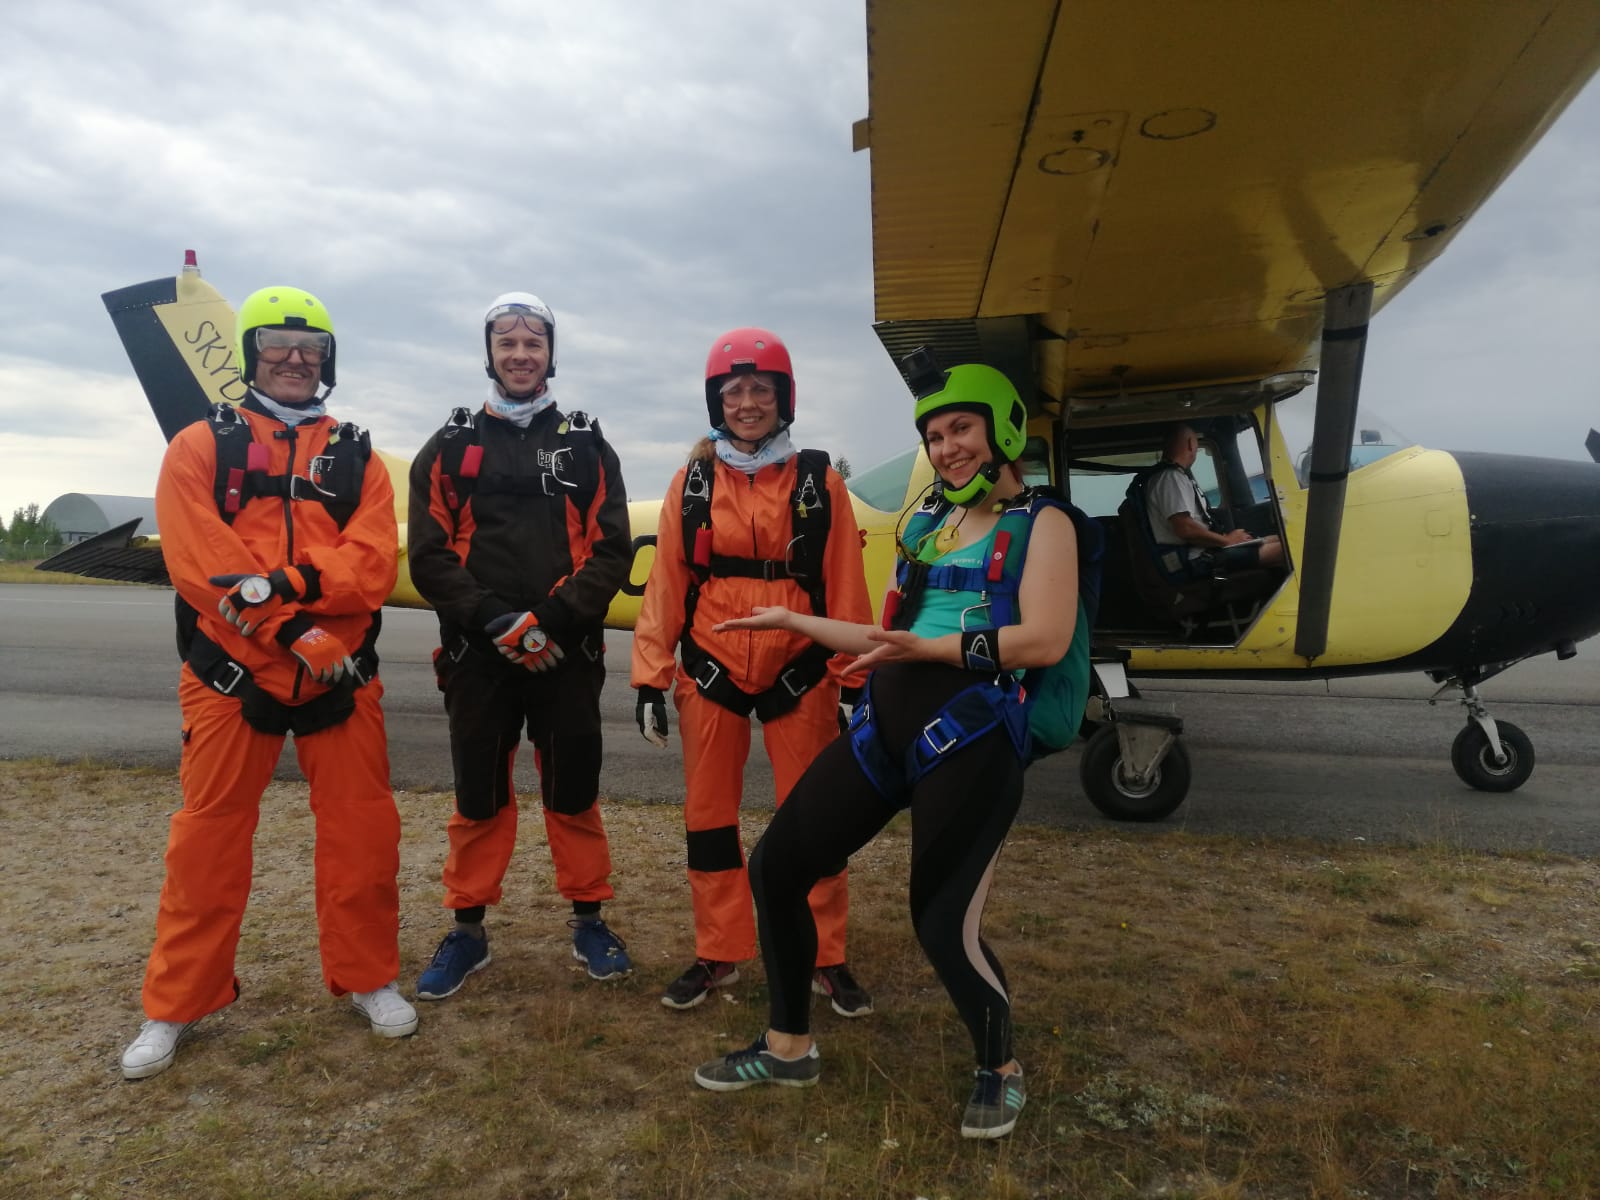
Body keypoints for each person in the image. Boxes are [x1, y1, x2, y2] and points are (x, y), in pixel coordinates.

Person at [690, 360, 1093, 1141]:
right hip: (885, 734)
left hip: (972, 739)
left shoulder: (1045, 524)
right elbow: (886, 641)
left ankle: (999, 1069)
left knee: (942, 924)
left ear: (1002, 431)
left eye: (962, 430)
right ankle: (787, 1046)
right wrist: (797, 622)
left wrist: (934, 651)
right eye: (936, 436)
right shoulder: (930, 522)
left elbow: (1042, 639)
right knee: (777, 866)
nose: (947, 448)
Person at [121, 285, 414, 1081]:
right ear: (251, 354)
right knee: (206, 844)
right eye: (278, 345)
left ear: (327, 361)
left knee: (363, 835)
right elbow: (198, 562)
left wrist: (283, 585)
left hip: (339, 677)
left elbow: (371, 565)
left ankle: (368, 977)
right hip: (229, 675)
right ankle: (176, 1002)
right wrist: (290, 630)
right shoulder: (196, 447)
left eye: (309, 348)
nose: (294, 359)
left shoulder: (358, 455)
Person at [631, 328, 874, 1015]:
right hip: (711, 672)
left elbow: (844, 584)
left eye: (760, 389)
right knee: (710, 822)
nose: (747, 403)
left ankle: (825, 955)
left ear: (782, 398)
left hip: (801, 672)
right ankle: (720, 950)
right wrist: (651, 674)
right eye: (733, 391)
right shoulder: (693, 483)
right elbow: (667, 585)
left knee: (817, 820)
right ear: (717, 400)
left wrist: (854, 680)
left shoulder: (820, 482)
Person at [407, 291, 633, 999]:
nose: (521, 355)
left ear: (550, 355)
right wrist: (500, 622)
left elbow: (612, 549)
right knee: (479, 793)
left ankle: (589, 919)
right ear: (490, 354)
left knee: (573, 789)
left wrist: (551, 622)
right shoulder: (449, 445)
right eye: (507, 344)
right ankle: (467, 930)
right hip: (481, 655)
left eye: (533, 344)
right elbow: (428, 554)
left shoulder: (587, 443)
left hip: (564, 654)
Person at [1142, 423, 1283, 576]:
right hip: (1200, 559)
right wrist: (1227, 540)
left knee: (1279, 539)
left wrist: (1226, 539)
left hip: (1205, 551)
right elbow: (1185, 529)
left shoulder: (1171, 476)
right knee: (1288, 547)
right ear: (1190, 444)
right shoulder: (1170, 477)